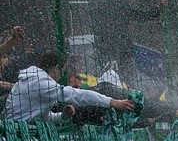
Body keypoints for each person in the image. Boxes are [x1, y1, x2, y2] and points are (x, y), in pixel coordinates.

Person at [3, 51, 135, 123]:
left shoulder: (31, 80)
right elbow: (79, 95)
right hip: (17, 136)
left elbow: (41, 117)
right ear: (55, 68)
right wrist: (114, 102)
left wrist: (63, 116)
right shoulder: (41, 83)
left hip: (17, 134)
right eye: (63, 70)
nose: (62, 76)